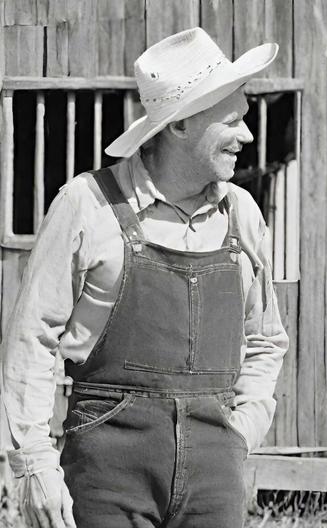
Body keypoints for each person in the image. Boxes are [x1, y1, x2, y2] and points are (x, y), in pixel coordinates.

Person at [1, 27, 288, 528]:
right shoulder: (87, 205)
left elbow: (266, 340)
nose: (248, 136)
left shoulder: (241, 213)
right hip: (108, 472)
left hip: (214, 478)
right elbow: (32, 340)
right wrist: (34, 465)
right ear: (178, 126)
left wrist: (240, 432)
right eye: (235, 120)